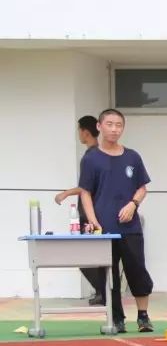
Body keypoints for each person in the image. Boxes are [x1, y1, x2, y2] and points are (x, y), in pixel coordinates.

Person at [77, 109, 154, 334]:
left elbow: (142, 188)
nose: (114, 129)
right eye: (109, 124)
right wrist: (94, 222)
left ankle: (143, 316)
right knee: (108, 275)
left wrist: (133, 204)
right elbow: (85, 193)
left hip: (130, 228)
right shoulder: (91, 158)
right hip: (104, 229)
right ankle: (117, 318)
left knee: (137, 270)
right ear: (99, 127)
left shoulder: (132, 157)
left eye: (118, 125)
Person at [54, 115, 107, 305]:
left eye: (79, 130)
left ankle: (104, 292)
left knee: (85, 256)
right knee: (88, 256)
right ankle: (102, 291)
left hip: (89, 213)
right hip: (89, 212)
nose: (79, 134)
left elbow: (86, 187)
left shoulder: (92, 156)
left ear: (85, 131)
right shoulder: (96, 154)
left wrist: (66, 193)